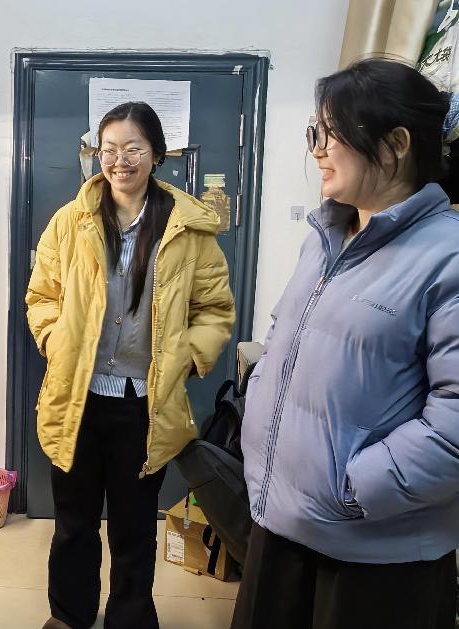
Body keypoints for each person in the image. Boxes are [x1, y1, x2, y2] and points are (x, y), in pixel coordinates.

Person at [233, 58, 459, 629]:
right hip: (282, 523)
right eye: (317, 132)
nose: (318, 150)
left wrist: (354, 491)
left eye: (332, 134)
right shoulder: (325, 237)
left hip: (374, 557)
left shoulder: (448, 256)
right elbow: (285, 340)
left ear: (396, 144)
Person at [26, 101, 235, 629]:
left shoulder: (188, 229)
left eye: (133, 148)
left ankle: (131, 617)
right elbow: (42, 296)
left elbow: (214, 310)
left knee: (134, 527)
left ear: (157, 154)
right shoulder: (70, 222)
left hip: (146, 403)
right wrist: (55, 340)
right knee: (73, 523)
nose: (119, 160)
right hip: (77, 398)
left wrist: (186, 358)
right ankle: (69, 615)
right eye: (109, 148)